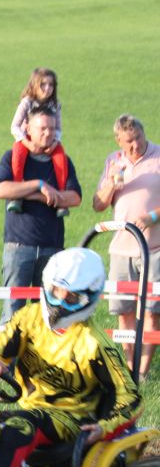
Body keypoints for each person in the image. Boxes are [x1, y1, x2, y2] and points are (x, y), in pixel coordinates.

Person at [0, 248, 142, 467]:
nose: (60, 302)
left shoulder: (95, 344)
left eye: (72, 297)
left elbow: (131, 399)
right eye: (55, 291)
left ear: (88, 299)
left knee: (19, 426)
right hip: (31, 409)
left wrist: (104, 428)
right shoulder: (28, 318)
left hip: (72, 419)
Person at [0, 105, 81, 323]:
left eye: (52, 128)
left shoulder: (62, 161)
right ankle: (10, 358)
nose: (48, 133)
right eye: (42, 128)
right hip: (19, 247)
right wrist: (39, 185)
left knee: (47, 314)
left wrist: (32, 195)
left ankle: (39, 358)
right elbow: (1, 190)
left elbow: (74, 198)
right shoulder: (12, 157)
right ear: (28, 128)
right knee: (13, 314)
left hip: (52, 246)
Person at [91, 114, 160, 379]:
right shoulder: (113, 161)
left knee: (153, 312)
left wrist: (153, 216)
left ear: (144, 133)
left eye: (138, 138)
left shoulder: (157, 157)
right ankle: (130, 367)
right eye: (128, 141)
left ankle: (142, 372)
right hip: (121, 249)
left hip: (154, 248)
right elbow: (98, 205)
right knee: (124, 312)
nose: (134, 145)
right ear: (119, 141)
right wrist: (111, 183)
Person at [7, 68, 67, 216]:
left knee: (60, 159)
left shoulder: (55, 105)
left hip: (50, 140)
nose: (47, 88)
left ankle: (62, 197)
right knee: (17, 154)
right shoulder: (27, 102)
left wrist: (54, 143)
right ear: (34, 85)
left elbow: (58, 128)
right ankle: (17, 194)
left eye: (51, 85)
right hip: (27, 139)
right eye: (43, 84)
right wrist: (27, 143)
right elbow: (14, 126)